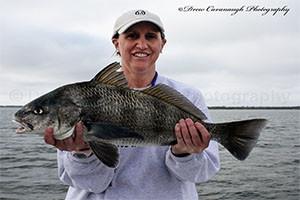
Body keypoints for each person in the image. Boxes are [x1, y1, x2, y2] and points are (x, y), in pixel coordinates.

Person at [44, 9, 220, 200]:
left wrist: (184, 154)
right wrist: (83, 151)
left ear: (162, 44)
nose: (142, 44)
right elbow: (91, 184)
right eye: (132, 36)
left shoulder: (189, 96)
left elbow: (201, 174)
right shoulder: (79, 100)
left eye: (151, 36)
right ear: (116, 43)